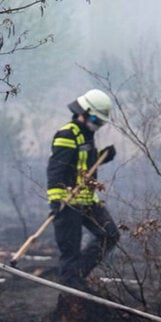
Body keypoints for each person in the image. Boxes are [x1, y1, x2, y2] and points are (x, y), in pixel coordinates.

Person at [46, 89, 119, 292]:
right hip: (67, 203)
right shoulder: (67, 135)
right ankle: (72, 293)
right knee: (70, 253)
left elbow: (83, 164)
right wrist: (56, 201)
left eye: (101, 122)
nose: (97, 124)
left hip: (88, 200)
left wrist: (103, 156)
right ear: (84, 112)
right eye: (95, 118)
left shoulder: (87, 136)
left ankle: (78, 276)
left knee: (109, 234)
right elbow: (56, 170)